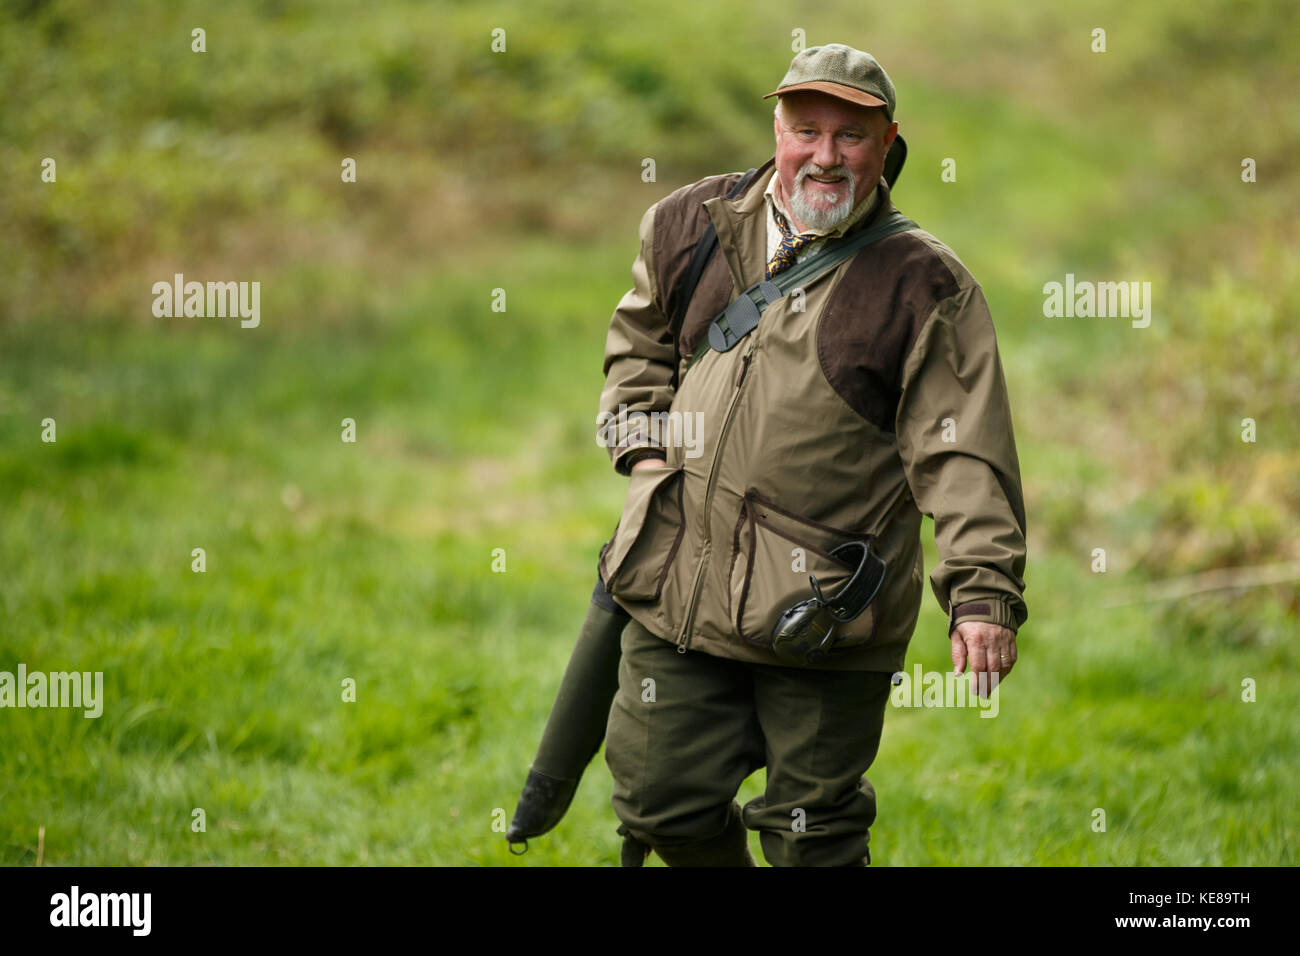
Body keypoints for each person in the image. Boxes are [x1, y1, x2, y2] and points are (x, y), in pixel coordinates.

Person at [594, 43, 1029, 867]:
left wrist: (981, 593)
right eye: (807, 129)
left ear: (887, 143)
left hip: (826, 612)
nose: (825, 155)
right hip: (676, 582)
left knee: (812, 840)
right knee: (660, 806)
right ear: (777, 127)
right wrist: (643, 454)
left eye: (851, 137)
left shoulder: (924, 284)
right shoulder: (690, 222)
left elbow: (960, 451)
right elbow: (637, 347)